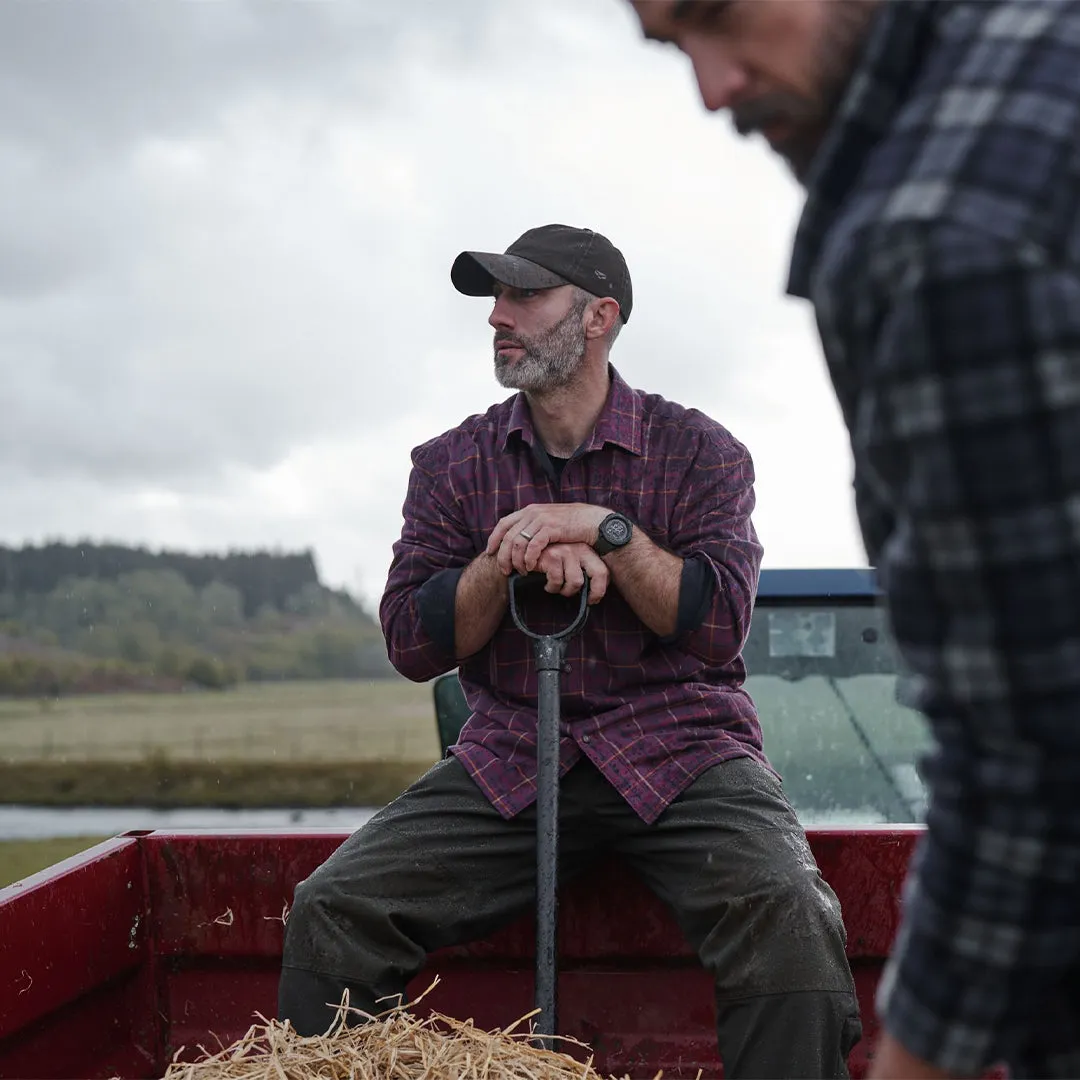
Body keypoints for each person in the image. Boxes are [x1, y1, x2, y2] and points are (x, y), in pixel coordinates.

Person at [277, 222, 863, 1077]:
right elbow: (412, 642)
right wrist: (503, 556)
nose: (496, 318)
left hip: (684, 752)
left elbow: (714, 627)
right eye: (494, 300)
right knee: (332, 911)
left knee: (792, 918)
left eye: (523, 296)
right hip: (513, 753)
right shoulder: (451, 466)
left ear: (599, 317)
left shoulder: (701, 452)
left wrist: (607, 532)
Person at [622, 2, 1080, 1078]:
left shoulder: (942, 248)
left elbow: (1037, 761)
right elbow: (416, 633)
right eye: (670, 46)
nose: (712, 86)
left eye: (715, 16)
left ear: (598, 318)